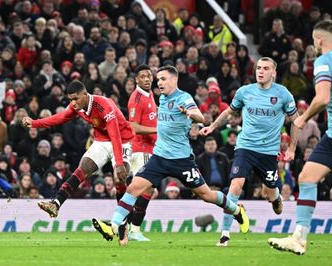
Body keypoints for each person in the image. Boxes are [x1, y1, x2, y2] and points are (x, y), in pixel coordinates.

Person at [92, 66, 249, 246]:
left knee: (206, 195)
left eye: (163, 79)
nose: (159, 83)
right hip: (159, 157)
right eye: (158, 79)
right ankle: (113, 226)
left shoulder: (184, 98)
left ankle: (236, 210)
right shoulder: (163, 98)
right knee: (133, 188)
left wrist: (191, 114)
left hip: (181, 160)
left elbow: (200, 117)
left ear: (174, 80)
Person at [200, 57, 300, 247]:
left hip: (269, 152)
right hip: (245, 147)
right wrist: (212, 126)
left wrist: (293, 148)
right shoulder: (245, 92)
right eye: (258, 68)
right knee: (235, 185)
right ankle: (225, 234)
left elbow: (296, 120)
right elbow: (229, 112)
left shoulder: (283, 94)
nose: (261, 71)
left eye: (265, 68)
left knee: (271, 196)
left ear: (274, 73)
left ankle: (275, 196)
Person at [22, 80, 134, 218]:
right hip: (102, 141)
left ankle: (123, 219)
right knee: (83, 168)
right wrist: (34, 123)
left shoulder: (104, 105)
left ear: (85, 94)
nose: (73, 103)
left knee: (119, 178)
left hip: (122, 140)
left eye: (76, 98)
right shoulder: (77, 106)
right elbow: (59, 118)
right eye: (70, 99)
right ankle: (56, 203)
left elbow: (115, 135)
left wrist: (119, 163)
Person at [268, 20, 332, 255]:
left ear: (319, 39)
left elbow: (323, 98)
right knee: (306, 177)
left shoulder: (324, 60)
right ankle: (299, 237)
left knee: (307, 178)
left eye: (314, 40)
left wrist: (302, 119)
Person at [126, 64, 157, 241]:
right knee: (145, 188)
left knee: (142, 189)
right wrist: (156, 130)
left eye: (148, 76)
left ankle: (126, 225)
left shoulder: (150, 94)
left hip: (150, 148)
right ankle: (133, 228)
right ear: (136, 80)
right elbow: (133, 126)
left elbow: (151, 116)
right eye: (142, 77)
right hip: (141, 148)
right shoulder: (136, 99)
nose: (146, 79)